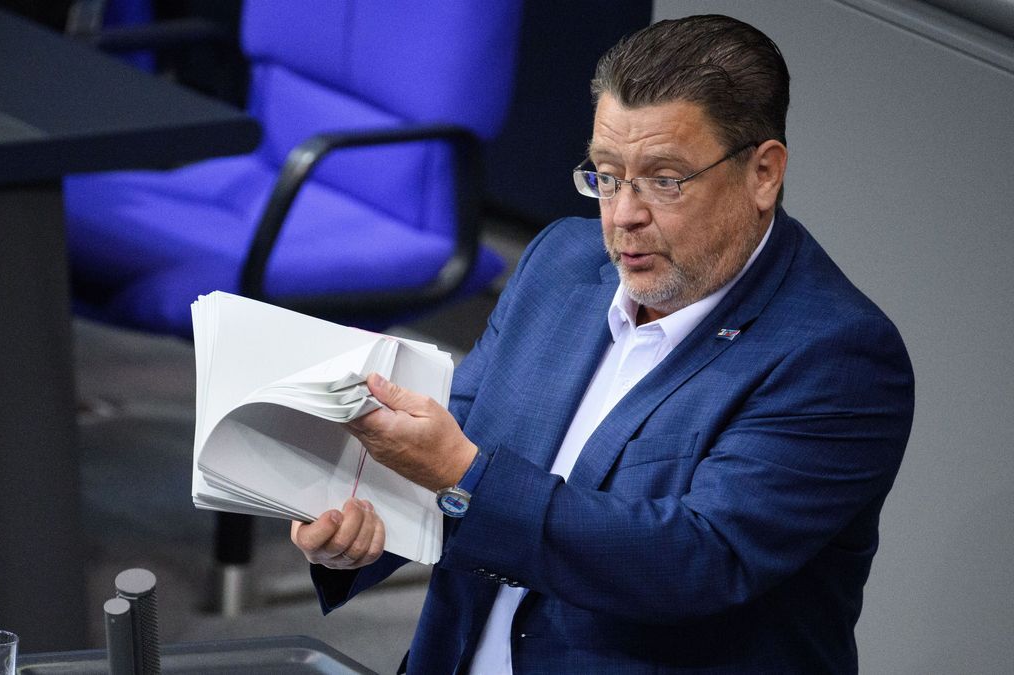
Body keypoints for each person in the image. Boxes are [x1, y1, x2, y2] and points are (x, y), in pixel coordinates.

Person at [290, 14, 915, 674]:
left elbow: (692, 559)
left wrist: (460, 475)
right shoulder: (561, 260)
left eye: (663, 180)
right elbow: (465, 428)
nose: (622, 215)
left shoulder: (837, 356)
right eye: (607, 175)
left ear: (763, 172)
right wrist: (361, 526)